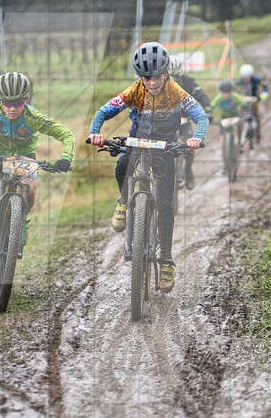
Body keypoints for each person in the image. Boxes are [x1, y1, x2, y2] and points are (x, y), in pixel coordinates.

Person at [87, 42, 208, 292]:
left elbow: (201, 116)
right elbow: (103, 111)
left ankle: (165, 261)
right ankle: (123, 202)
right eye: (146, 77)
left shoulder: (176, 92)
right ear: (139, 76)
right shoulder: (134, 91)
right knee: (122, 165)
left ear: (167, 74)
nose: (152, 82)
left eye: (157, 76)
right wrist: (95, 132)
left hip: (165, 148)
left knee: (165, 205)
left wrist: (197, 137)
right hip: (137, 142)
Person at [0, 72, 75, 275]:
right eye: (7, 103)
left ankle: (20, 222)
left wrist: (65, 158)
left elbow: (66, 134)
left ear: (26, 100)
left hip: (23, 157)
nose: (12, 108)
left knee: (31, 190)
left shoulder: (32, 116)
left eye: (18, 103)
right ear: (0, 100)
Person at [168, 54, 211, 189]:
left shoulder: (188, 81)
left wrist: (207, 107)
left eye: (177, 77)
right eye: (171, 77)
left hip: (185, 120)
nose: (174, 80)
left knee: (189, 146)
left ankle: (188, 170)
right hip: (167, 121)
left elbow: (200, 94)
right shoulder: (160, 83)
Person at [234, 64, 268, 143]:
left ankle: (258, 133)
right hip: (243, 99)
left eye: (248, 77)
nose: (246, 79)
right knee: (239, 114)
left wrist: (264, 93)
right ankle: (239, 132)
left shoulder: (256, 79)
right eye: (244, 77)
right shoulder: (239, 81)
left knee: (256, 113)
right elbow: (234, 89)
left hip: (254, 98)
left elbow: (264, 86)